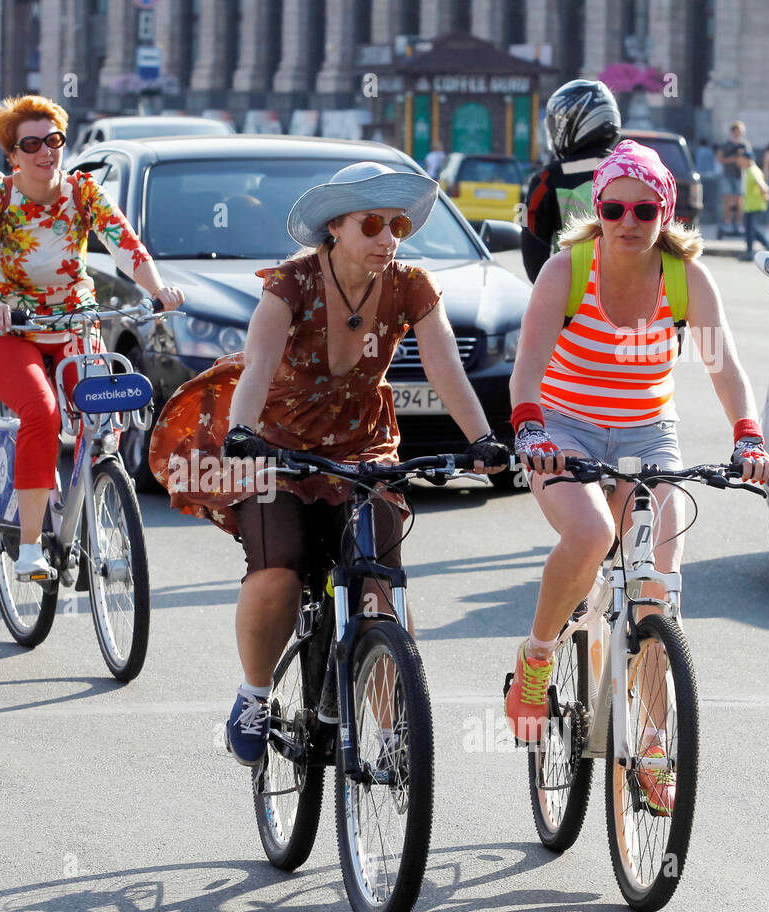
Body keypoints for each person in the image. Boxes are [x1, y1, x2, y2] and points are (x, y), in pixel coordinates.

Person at [146, 161, 510, 766]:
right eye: (373, 224)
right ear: (335, 227)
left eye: (397, 224)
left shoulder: (411, 285)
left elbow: (446, 366)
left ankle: (396, 729)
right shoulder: (290, 284)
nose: (389, 238)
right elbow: (258, 363)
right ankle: (254, 694)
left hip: (365, 447)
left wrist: (484, 440)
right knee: (280, 569)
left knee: (379, 587)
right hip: (280, 445)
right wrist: (241, 432)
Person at [503, 139, 769, 815]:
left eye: (645, 208)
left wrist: (749, 436)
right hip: (562, 429)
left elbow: (725, 368)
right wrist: (533, 431)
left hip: (648, 434)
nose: (630, 220)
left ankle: (653, 744)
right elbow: (526, 372)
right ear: (598, 210)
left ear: (666, 211)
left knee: (655, 593)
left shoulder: (685, 278)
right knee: (591, 533)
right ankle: (537, 661)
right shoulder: (567, 272)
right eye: (617, 207)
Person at [0, 94, 184, 580]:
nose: (45, 152)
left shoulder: (83, 191)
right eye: (31, 143)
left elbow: (123, 242)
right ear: (12, 154)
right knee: (41, 410)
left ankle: (93, 505)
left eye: (53, 140)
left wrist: (158, 289)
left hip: (74, 323)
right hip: (7, 328)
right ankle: (31, 548)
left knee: (104, 416)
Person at [521, 79, 622, 282]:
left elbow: (534, 258)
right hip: (642, 300)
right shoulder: (640, 171)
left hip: (576, 302)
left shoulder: (547, 179)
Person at [737, 149, 769, 260]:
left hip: (754, 205)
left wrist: (765, 194)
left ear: (747, 159)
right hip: (751, 204)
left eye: (741, 158)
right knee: (751, 228)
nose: (739, 161)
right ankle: (767, 244)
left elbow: (763, 186)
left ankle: (750, 252)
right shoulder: (750, 170)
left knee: (749, 229)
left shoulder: (752, 171)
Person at [715, 121, 750, 237]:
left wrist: (742, 162)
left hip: (740, 176)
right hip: (728, 175)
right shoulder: (726, 145)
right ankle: (727, 223)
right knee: (728, 201)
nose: (740, 133)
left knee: (739, 201)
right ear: (733, 131)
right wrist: (733, 159)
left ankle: (739, 223)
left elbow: (750, 160)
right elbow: (719, 159)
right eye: (738, 130)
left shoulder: (745, 145)